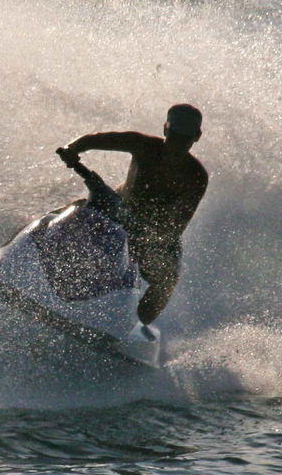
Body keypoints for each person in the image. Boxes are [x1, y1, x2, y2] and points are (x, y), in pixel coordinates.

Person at [55, 104, 207, 325]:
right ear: (165, 129)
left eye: (184, 140)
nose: (176, 145)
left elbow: (177, 227)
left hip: (155, 235)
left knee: (167, 280)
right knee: (70, 215)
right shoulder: (142, 144)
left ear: (197, 137)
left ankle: (133, 329)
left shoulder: (196, 176)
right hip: (115, 206)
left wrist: (149, 238)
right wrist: (72, 149)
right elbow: (91, 140)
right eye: (174, 136)